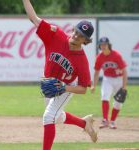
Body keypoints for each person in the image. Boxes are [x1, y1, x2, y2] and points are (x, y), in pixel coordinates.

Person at [22, 0, 98, 149]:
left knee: (48, 117)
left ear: (86, 40)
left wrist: (64, 87)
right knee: (56, 116)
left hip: (66, 86)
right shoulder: (56, 34)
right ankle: (84, 123)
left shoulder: (82, 61)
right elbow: (34, 19)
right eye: (76, 31)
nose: (76, 36)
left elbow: (83, 88)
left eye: (81, 35)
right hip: (48, 82)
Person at [91, 37, 127, 129]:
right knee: (104, 97)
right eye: (101, 44)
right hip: (107, 79)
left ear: (108, 45)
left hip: (119, 79)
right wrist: (93, 85)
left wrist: (124, 86)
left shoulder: (116, 55)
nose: (103, 46)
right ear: (99, 46)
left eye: (105, 44)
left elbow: (124, 71)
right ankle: (105, 120)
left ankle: (112, 121)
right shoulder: (99, 57)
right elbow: (96, 72)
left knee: (118, 102)